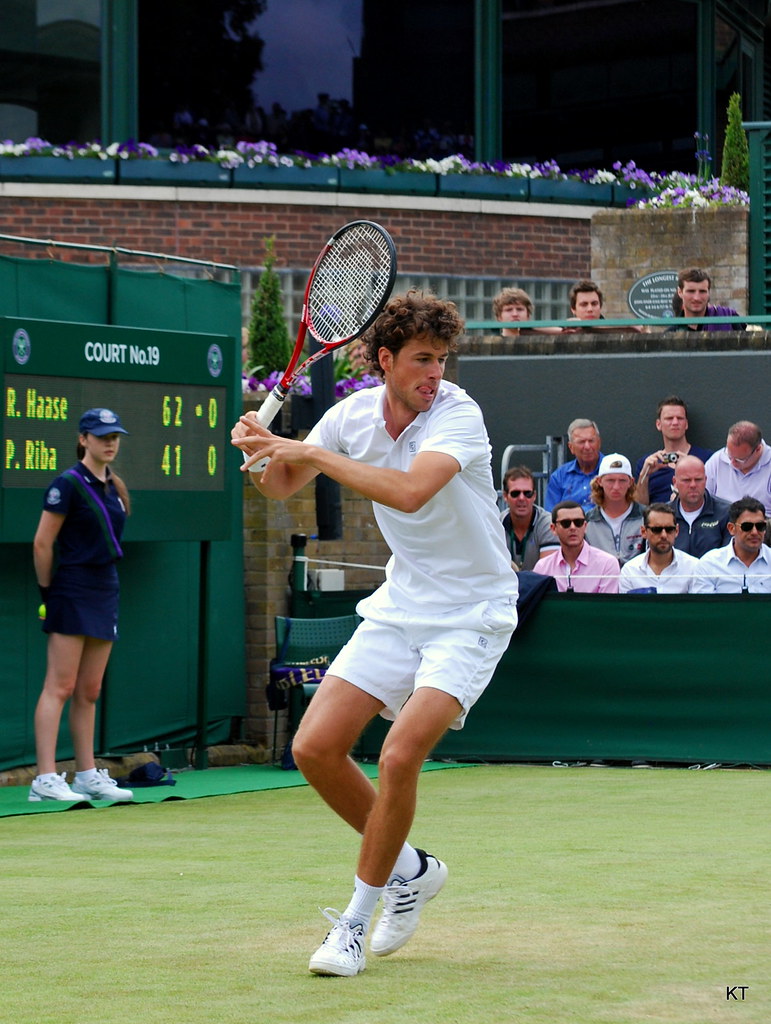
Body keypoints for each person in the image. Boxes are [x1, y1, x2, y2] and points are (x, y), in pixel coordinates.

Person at [231, 292, 518, 977]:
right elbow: (280, 484)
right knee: (314, 747)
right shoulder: (350, 416)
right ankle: (413, 869)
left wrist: (307, 452)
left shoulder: (458, 413)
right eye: (422, 359)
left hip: (472, 613)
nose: (435, 373)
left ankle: (354, 923)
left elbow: (409, 492)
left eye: (441, 359)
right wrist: (260, 451)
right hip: (401, 604)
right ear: (383, 360)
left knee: (396, 756)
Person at [29, 409, 134, 803]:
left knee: (89, 690)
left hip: (105, 588)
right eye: (102, 436)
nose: (110, 442)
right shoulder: (67, 484)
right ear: (84, 439)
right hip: (71, 588)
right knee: (61, 685)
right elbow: (42, 543)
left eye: (115, 436)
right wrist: (47, 592)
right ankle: (44, 778)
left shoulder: (116, 487)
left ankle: (87, 774)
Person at [634, 395, 713, 505]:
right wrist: (645, 475)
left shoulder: (707, 459)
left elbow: (714, 500)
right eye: (669, 418)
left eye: (680, 418)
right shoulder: (647, 463)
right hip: (658, 521)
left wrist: (691, 466)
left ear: (686, 424)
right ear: (658, 424)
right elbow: (640, 508)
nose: (675, 423)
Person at [532, 501, 619, 593]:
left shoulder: (607, 564)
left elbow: (607, 606)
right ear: (553, 529)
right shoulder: (542, 567)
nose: (573, 527)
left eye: (578, 522)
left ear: (585, 526)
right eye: (566, 523)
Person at [692, 498, 771, 593]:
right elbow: (703, 606)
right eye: (747, 527)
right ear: (731, 528)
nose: (754, 532)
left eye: (760, 526)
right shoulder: (709, 564)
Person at [619, 503, 699, 593]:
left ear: (676, 531)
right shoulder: (630, 571)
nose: (664, 535)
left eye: (669, 529)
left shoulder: (694, 567)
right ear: (643, 531)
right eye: (656, 530)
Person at [585, 454, 645, 565]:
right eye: (610, 480)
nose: (616, 487)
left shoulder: (646, 517)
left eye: (622, 481)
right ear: (599, 481)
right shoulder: (587, 521)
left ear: (630, 482)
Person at [670, 455, 731, 557]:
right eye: (687, 480)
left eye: (698, 479)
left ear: (705, 480)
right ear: (675, 482)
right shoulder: (664, 515)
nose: (693, 485)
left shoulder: (726, 513)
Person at [704, 421, 771, 512]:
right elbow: (703, 500)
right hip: (722, 522)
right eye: (729, 455)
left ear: (758, 449)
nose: (731, 463)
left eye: (739, 459)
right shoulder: (717, 460)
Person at [500, 465, 558, 570]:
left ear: (534, 496)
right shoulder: (497, 524)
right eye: (515, 493)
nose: (522, 498)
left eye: (528, 493)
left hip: (539, 585)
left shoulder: (548, 524)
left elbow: (546, 572)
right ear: (505, 496)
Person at [544, 418, 603, 512]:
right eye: (581, 442)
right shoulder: (559, 477)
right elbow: (551, 515)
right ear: (571, 447)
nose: (587, 447)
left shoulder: (612, 471)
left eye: (591, 441)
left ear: (599, 443)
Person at [666, 267, 745, 332]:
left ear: (708, 292)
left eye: (702, 291)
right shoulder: (672, 333)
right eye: (691, 291)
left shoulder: (729, 319)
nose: (697, 298)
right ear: (680, 292)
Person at [562, 279, 642, 333]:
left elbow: (638, 327)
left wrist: (587, 327)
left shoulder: (615, 329)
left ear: (600, 306)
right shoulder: (567, 329)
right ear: (573, 309)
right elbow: (549, 329)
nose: (590, 309)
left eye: (594, 304)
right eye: (584, 305)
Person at [491, 287, 560, 337]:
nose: (515, 314)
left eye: (519, 309)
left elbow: (564, 331)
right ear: (499, 316)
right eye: (509, 310)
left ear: (528, 315)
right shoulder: (491, 343)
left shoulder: (538, 342)